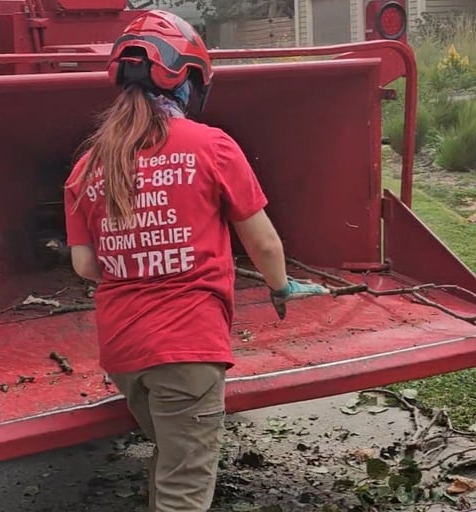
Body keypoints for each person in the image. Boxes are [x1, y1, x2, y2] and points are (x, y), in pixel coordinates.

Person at [63, 10, 329, 512]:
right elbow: (265, 244)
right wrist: (281, 287)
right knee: (186, 489)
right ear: (189, 81)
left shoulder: (87, 165)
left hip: (122, 350)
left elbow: (83, 265)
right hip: (186, 349)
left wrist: (136, 259)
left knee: (173, 454)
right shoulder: (212, 146)